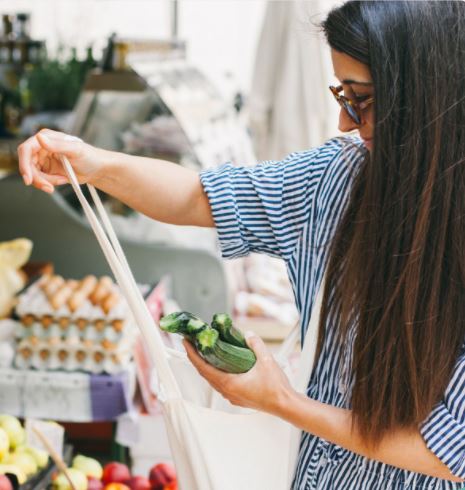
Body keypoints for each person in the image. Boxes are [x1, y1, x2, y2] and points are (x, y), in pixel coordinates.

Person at [16, 1, 465, 488]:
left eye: (362, 99)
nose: (344, 122)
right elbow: (197, 197)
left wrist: (280, 400)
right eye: (341, 95)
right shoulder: (338, 177)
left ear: (421, 94)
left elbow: (452, 449)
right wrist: (92, 164)